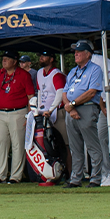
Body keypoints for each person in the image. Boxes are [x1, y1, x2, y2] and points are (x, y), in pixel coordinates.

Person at [60, 40, 104, 187]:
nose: (76, 54)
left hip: (87, 108)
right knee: (75, 147)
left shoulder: (95, 69)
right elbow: (64, 92)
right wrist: (70, 107)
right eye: (75, 52)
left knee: (92, 146)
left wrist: (73, 105)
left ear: (88, 54)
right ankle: (75, 179)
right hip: (71, 111)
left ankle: (95, 179)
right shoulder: (73, 71)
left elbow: (91, 92)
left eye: (79, 52)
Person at [0, 52, 36, 184]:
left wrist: (29, 116)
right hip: (1, 112)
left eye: (7, 59)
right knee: (1, 143)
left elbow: (30, 97)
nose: (4, 61)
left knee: (17, 145)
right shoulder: (1, 74)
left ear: (15, 61)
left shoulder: (24, 75)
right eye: (3, 59)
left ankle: (16, 176)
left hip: (18, 113)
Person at [34, 53, 68, 181]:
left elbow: (60, 93)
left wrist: (51, 108)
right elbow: (40, 92)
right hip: (43, 113)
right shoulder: (39, 73)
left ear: (51, 59)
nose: (41, 58)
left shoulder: (57, 74)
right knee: (48, 144)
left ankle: (68, 172)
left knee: (64, 143)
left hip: (57, 112)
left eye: (44, 56)